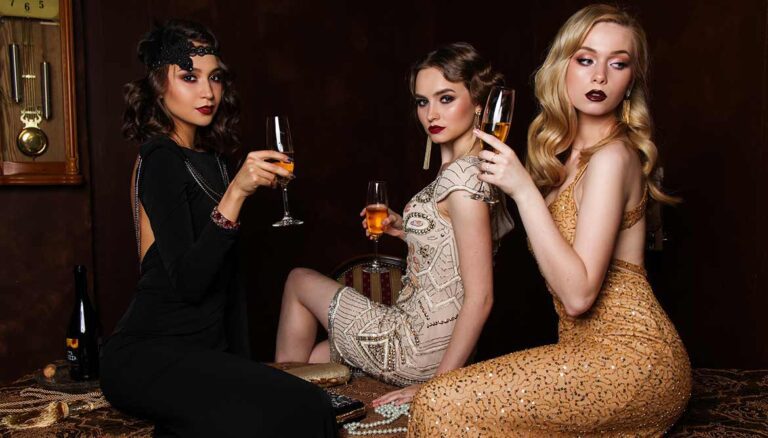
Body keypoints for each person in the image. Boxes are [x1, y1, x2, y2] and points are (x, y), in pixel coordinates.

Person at [408, 5, 691, 436]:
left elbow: (578, 296)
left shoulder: (613, 157)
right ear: (563, 67)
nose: (600, 77)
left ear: (632, 80)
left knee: (438, 402)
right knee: (443, 399)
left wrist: (524, 191)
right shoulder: (565, 160)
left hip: (634, 359)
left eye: (617, 64)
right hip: (581, 353)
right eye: (586, 59)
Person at [99, 20, 337, 438]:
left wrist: (239, 365)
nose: (208, 92)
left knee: (291, 409)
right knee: (308, 407)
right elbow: (190, 282)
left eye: (215, 78)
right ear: (158, 85)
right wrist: (238, 193)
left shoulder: (216, 162)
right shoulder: (160, 159)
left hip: (203, 355)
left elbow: (229, 286)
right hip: (147, 352)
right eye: (189, 77)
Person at [274, 42, 514, 406]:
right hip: (418, 337)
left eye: (446, 98)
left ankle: (275, 409)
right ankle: (292, 407)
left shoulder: (463, 179)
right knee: (315, 357)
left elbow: (480, 296)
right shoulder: (472, 170)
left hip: (418, 349)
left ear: (478, 102)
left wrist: (435, 386)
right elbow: (453, 252)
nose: (431, 113)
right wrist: (406, 230)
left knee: (298, 280)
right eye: (422, 101)